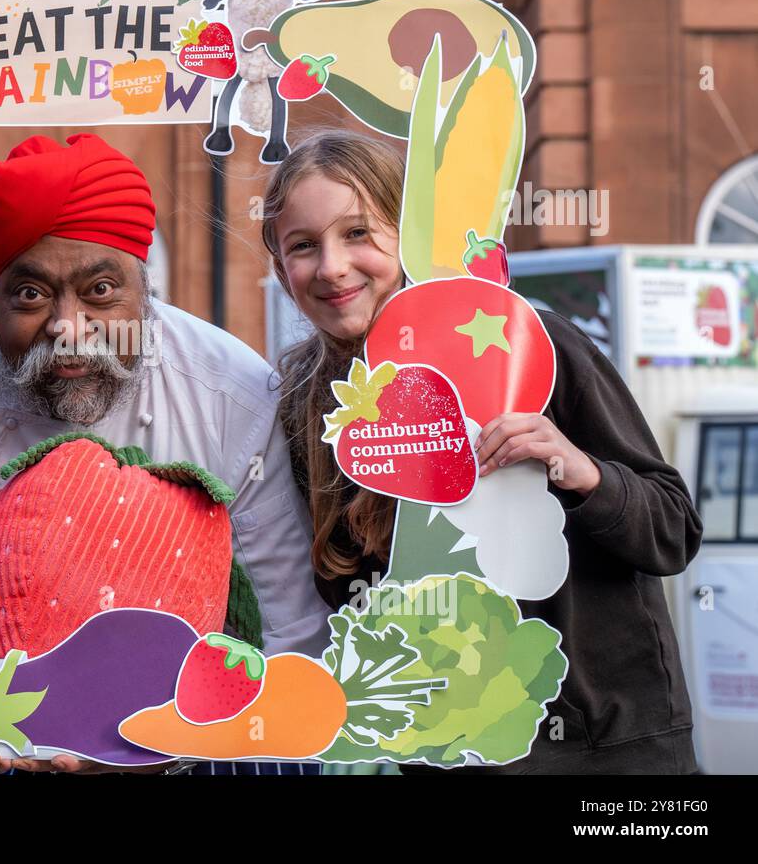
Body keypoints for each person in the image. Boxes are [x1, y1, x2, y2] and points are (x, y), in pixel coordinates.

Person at [0, 132, 331, 774]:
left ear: (145, 291)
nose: (68, 327)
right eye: (30, 295)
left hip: (200, 735)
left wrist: (164, 748)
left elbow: (287, 629)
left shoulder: (231, 392)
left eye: (98, 292)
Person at [263, 127, 703, 774]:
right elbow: (340, 590)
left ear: (409, 232)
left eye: (358, 233)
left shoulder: (526, 344)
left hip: (606, 750)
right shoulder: (306, 400)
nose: (331, 266)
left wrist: (582, 474)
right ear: (280, 268)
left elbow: (673, 531)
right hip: (443, 751)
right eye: (304, 246)